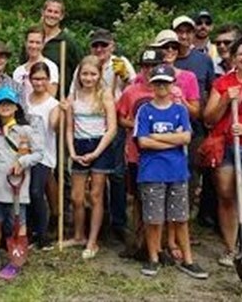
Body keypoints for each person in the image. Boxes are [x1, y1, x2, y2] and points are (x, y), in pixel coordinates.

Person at [135, 64, 208, 279]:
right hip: (152, 171)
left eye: (165, 82)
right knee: (153, 218)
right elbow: (143, 141)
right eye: (157, 82)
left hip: (177, 171)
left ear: (172, 84)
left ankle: (188, 260)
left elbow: (186, 137)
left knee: (180, 218)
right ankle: (153, 258)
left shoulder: (180, 110)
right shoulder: (145, 110)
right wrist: (171, 139)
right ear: (151, 85)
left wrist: (156, 137)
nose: (161, 86)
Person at [62, 55, 117, 259]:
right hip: (78, 144)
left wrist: (96, 152)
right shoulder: (72, 97)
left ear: (99, 75)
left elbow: (112, 129)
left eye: (93, 74)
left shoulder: (105, 95)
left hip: (100, 145)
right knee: (77, 197)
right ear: (79, 75)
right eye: (85, 73)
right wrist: (72, 152)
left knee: (95, 195)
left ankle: (93, 241)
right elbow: (68, 129)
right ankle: (78, 235)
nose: (88, 78)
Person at [0, 86, 43, 280]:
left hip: (17, 188)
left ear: (16, 107)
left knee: (18, 223)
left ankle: (15, 260)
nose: (5, 107)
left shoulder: (25, 130)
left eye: (9, 103)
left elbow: (39, 153)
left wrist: (22, 162)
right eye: (1, 103)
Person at [116, 48, 167, 258]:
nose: (149, 71)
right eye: (145, 66)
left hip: (163, 154)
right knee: (138, 199)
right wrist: (139, 125)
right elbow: (121, 118)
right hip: (137, 154)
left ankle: (158, 246)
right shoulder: (131, 92)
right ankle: (138, 243)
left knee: (161, 200)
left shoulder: (167, 91)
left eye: (153, 66)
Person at [204, 37, 242, 268]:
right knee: (227, 193)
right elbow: (209, 118)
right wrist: (226, 101)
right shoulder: (223, 83)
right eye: (240, 54)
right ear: (234, 57)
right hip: (226, 145)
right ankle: (231, 248)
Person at [24, 62, 60, 250]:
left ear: (48, 80)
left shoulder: (53, 104)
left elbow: (54, 126)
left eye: (43, 79)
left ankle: (43, 234)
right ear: (30, 80)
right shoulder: (24, 100)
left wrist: (63, 113)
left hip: (44, 155)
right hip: (24, 154)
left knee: (37, 192)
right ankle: (30, 232)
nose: (39, 82)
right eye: (36, 78)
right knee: (26, 193)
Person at [39, 0, 83, 95]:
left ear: (61, 16)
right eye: (49, 11)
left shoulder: (68, 42)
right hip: (33, 100)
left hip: (59, 100)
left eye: (56, 12)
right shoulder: (34, 40)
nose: (52, 15)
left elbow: (80, 69)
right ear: (43, 12)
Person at [13, 26, 60, 99]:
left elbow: (52, 96)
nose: (34, 46)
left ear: (43, 44)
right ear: (25, 43)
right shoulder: (18, 71)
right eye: (31, 42)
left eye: (38, 42)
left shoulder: (51, 67)